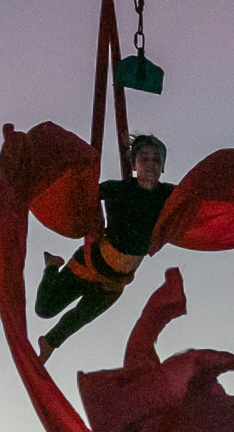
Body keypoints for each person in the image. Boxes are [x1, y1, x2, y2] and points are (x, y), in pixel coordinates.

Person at [34, 134, 175, 362]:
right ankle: (52, 266)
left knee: (79, 317)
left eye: (157, 160)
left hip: (114, 283)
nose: (151, 165)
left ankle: (49, 343)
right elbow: (79, 194)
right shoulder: (118, 189)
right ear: (134, 163)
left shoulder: (167, 195)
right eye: (144, 158)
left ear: (163, 167)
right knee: (44, 309)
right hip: (90, 264)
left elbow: (196, 197)